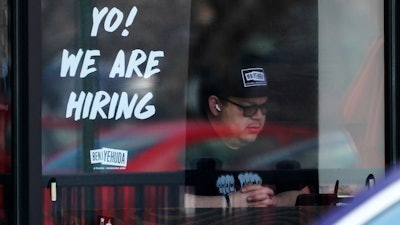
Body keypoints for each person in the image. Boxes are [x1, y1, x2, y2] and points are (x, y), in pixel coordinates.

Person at [185, 65, 310, 207]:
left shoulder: (276, 150)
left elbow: (308, 194)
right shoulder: (188, 150)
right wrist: (228, 202)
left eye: (263, 107)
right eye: (248, 108)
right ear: (216, 106)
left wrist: (274, 200)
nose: (258, 116)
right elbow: (164, 199)